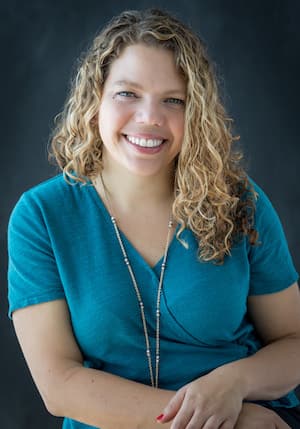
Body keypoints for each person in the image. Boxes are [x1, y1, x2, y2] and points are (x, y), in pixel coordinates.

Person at [7, 8, 300, 429]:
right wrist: (221, 422)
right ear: (95, 101)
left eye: (173, 100)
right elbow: (60, 386)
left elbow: (294, 342)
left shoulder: (241, 202)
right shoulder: (41, 216)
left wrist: (233, 385)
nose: (150, 118)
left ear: (194, 112)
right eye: (127, 93)